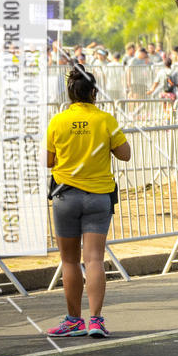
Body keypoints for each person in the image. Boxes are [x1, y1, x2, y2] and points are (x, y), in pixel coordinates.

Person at [45, 67, 131, 338]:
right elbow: (125, 155)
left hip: (65, 196)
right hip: (98, 197)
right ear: (95, 92)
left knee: (69, 262)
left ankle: (73, 320)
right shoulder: (105, 120)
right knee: (93, 259)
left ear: (70, 93)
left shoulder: (57, 121)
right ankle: (96, 320)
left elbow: (48, 161)